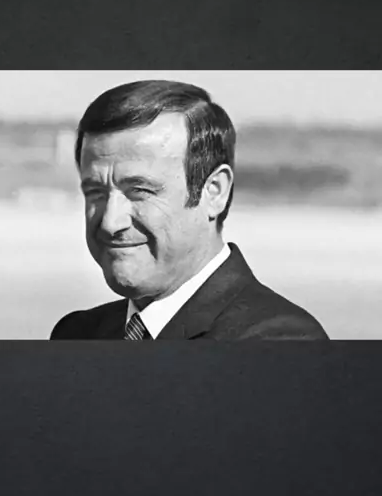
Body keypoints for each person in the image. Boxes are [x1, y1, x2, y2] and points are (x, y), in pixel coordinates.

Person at [50, 80, 328, 341]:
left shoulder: (278, 339)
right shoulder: (78, 333)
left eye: (140, 191)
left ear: (214, 192)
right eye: (95, 193)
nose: (110, 222)